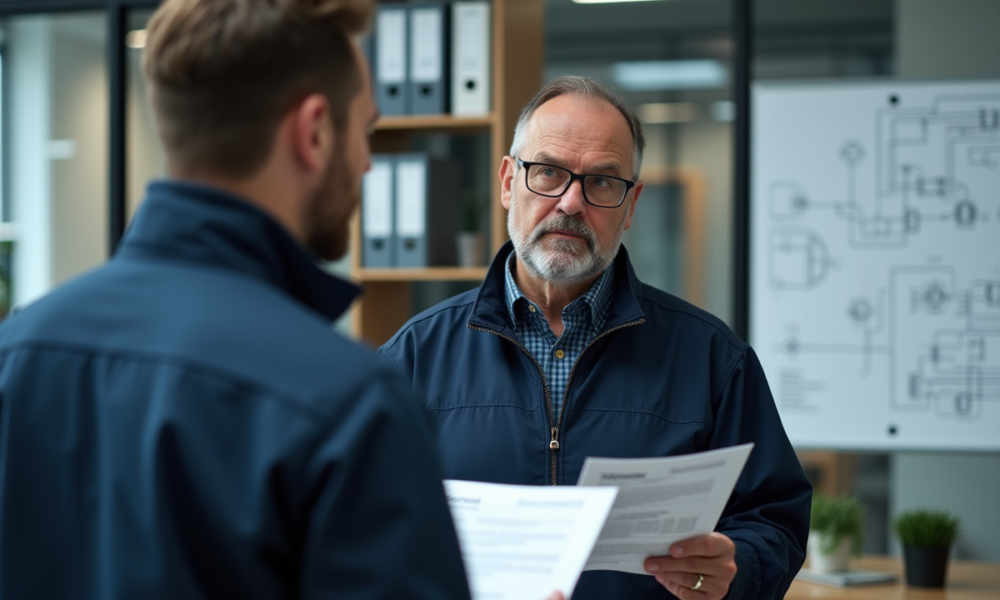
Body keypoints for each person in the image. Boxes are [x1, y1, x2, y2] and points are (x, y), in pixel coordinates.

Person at [0, 1, 473, 598]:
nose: (367, 163)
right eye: (365, 131)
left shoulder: (14, 356)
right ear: (314, 131)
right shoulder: (350, 403)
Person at [380, 76, 813, 600]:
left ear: (631, 206)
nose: (570, 202)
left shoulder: (713, 360)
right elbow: (364, 529)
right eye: (548, 172)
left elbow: (774, 519)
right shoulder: (413, 359)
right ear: (508, 182)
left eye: (602, 182)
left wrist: (735, 570)